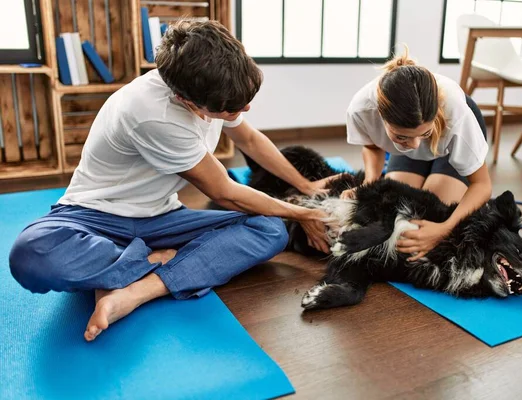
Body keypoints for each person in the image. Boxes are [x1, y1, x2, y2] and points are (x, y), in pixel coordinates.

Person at [9, 20, 334, 342]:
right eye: (232, 107)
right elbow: (225, 193)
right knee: (31, 254)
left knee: (270, 229)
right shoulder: (152, 112)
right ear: (186, 100)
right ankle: (156, 259)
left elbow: (249, 140)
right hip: (95, 216)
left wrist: (306, 188)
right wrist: (306, 214)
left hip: (162, 217)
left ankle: (136, 288)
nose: (245, 109)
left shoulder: (214, 83)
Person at [342, 47, 492, 261]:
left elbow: (482, 185)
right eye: (402, 137)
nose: (414, 145)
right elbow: (373, 146)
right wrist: (370, 184)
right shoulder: (361, 110)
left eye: (424, 133)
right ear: (380, 116)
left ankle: (443, 161)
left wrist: (444, 228)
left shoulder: (457, 115)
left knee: (427, 217)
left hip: (449, 143)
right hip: (419, 133)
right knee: (399, 216)